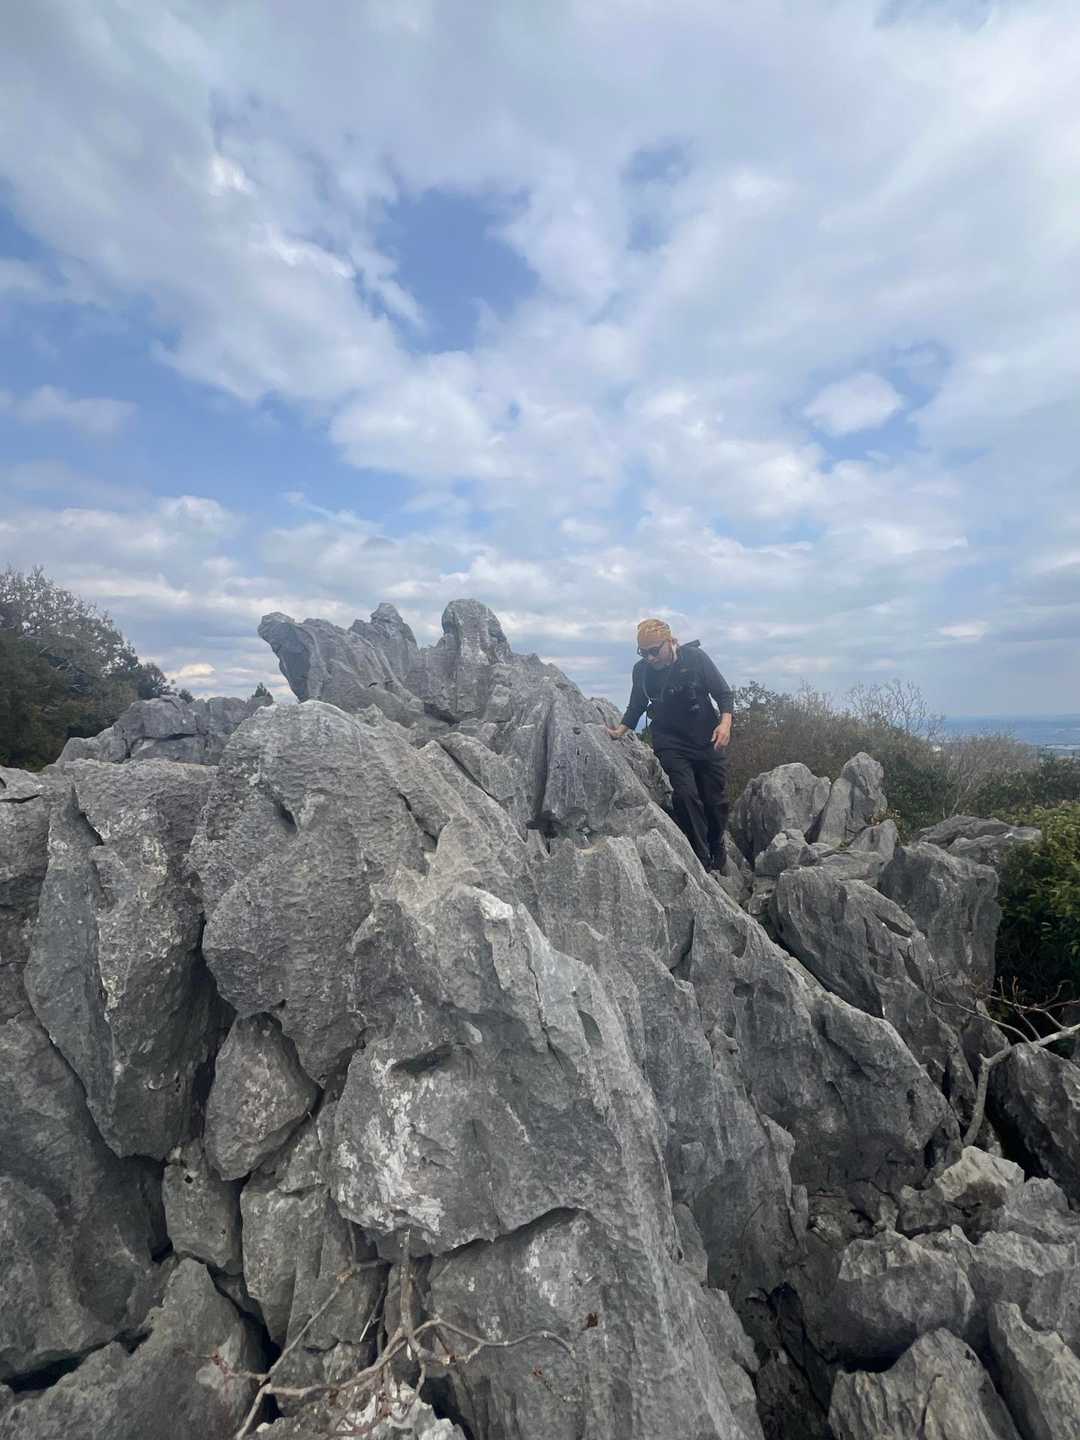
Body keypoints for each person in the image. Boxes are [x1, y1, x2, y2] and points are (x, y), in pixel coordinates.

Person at [606, 618, 732, 871]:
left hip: (707, 738)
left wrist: (725, 724)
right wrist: (619, 731)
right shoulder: (642, 671)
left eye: (654, 651)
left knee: (714, 800)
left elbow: (723, 693)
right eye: (643, 652)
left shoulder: (695, 659)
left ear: (671, 642)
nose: (650, 658)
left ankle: (716, 843)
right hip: (670, 741)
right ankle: (700, 857)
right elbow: (637, 705)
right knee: (686, 796)